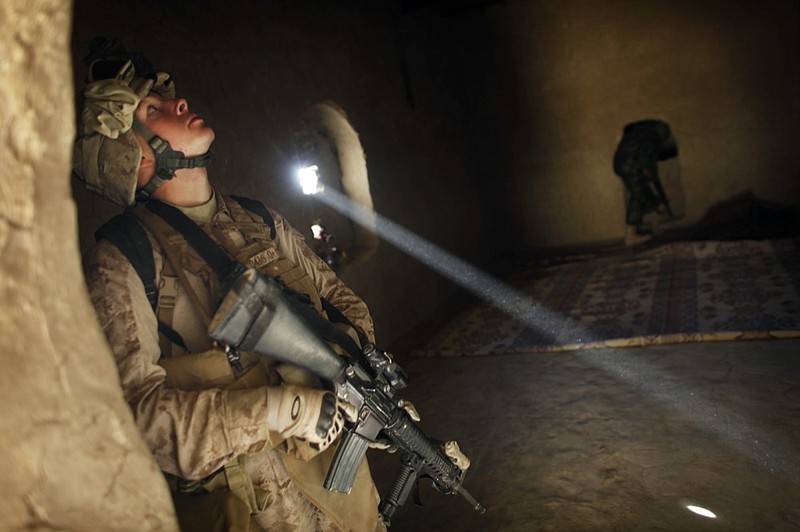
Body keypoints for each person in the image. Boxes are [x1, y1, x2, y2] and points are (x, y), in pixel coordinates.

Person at [73, 37, 386, 532]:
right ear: (133, 157)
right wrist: (279, 408)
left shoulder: (256, 218)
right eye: (153, 111)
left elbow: (340, 301)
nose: (180, 104)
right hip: (259, 506)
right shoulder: (122, 255)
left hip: (342, 496)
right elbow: (141, 419)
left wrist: (364, 381)